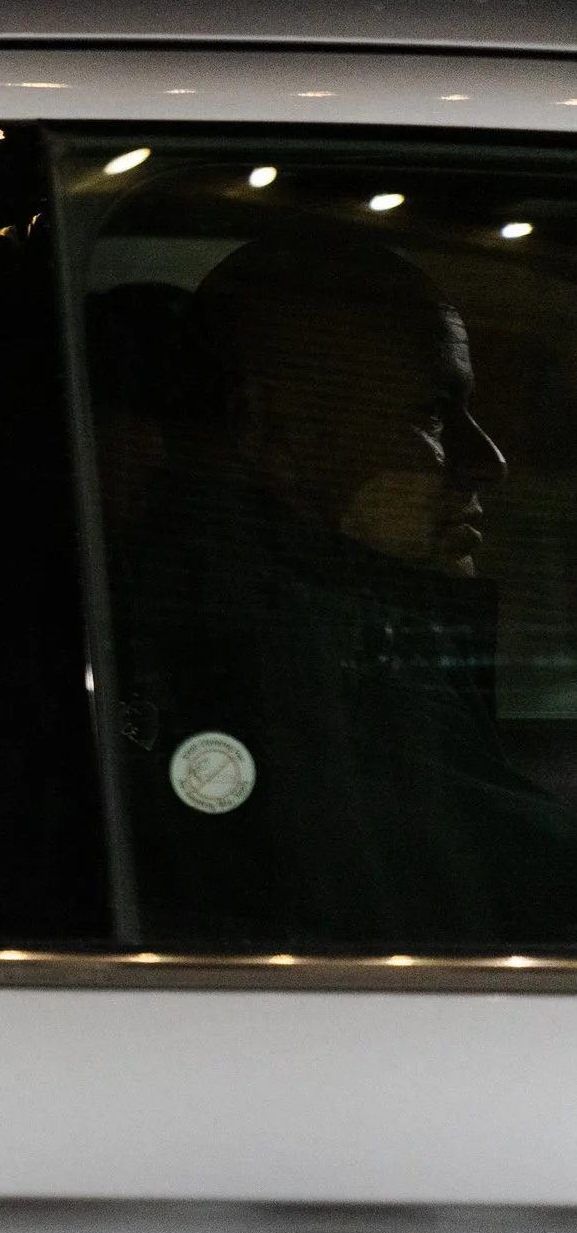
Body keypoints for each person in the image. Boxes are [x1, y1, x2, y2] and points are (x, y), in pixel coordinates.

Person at [110, 232, 577, 945]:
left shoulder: (329, 626)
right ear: (268, 431)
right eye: (430, 414)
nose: (489, 461)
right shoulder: (298, 658)